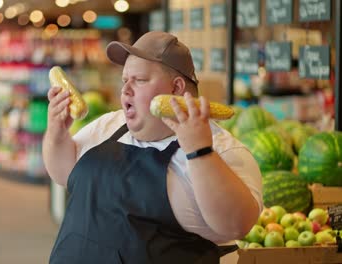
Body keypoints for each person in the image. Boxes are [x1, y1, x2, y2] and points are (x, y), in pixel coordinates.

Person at [43, 31, 263, 264]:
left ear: (176, 88)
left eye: (139, 80)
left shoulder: (224, 150)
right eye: (124, 80)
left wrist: (200, 151)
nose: (125, 90)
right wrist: (56, 132)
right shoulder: (108, 125)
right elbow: (63, 174)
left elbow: (236, 224)